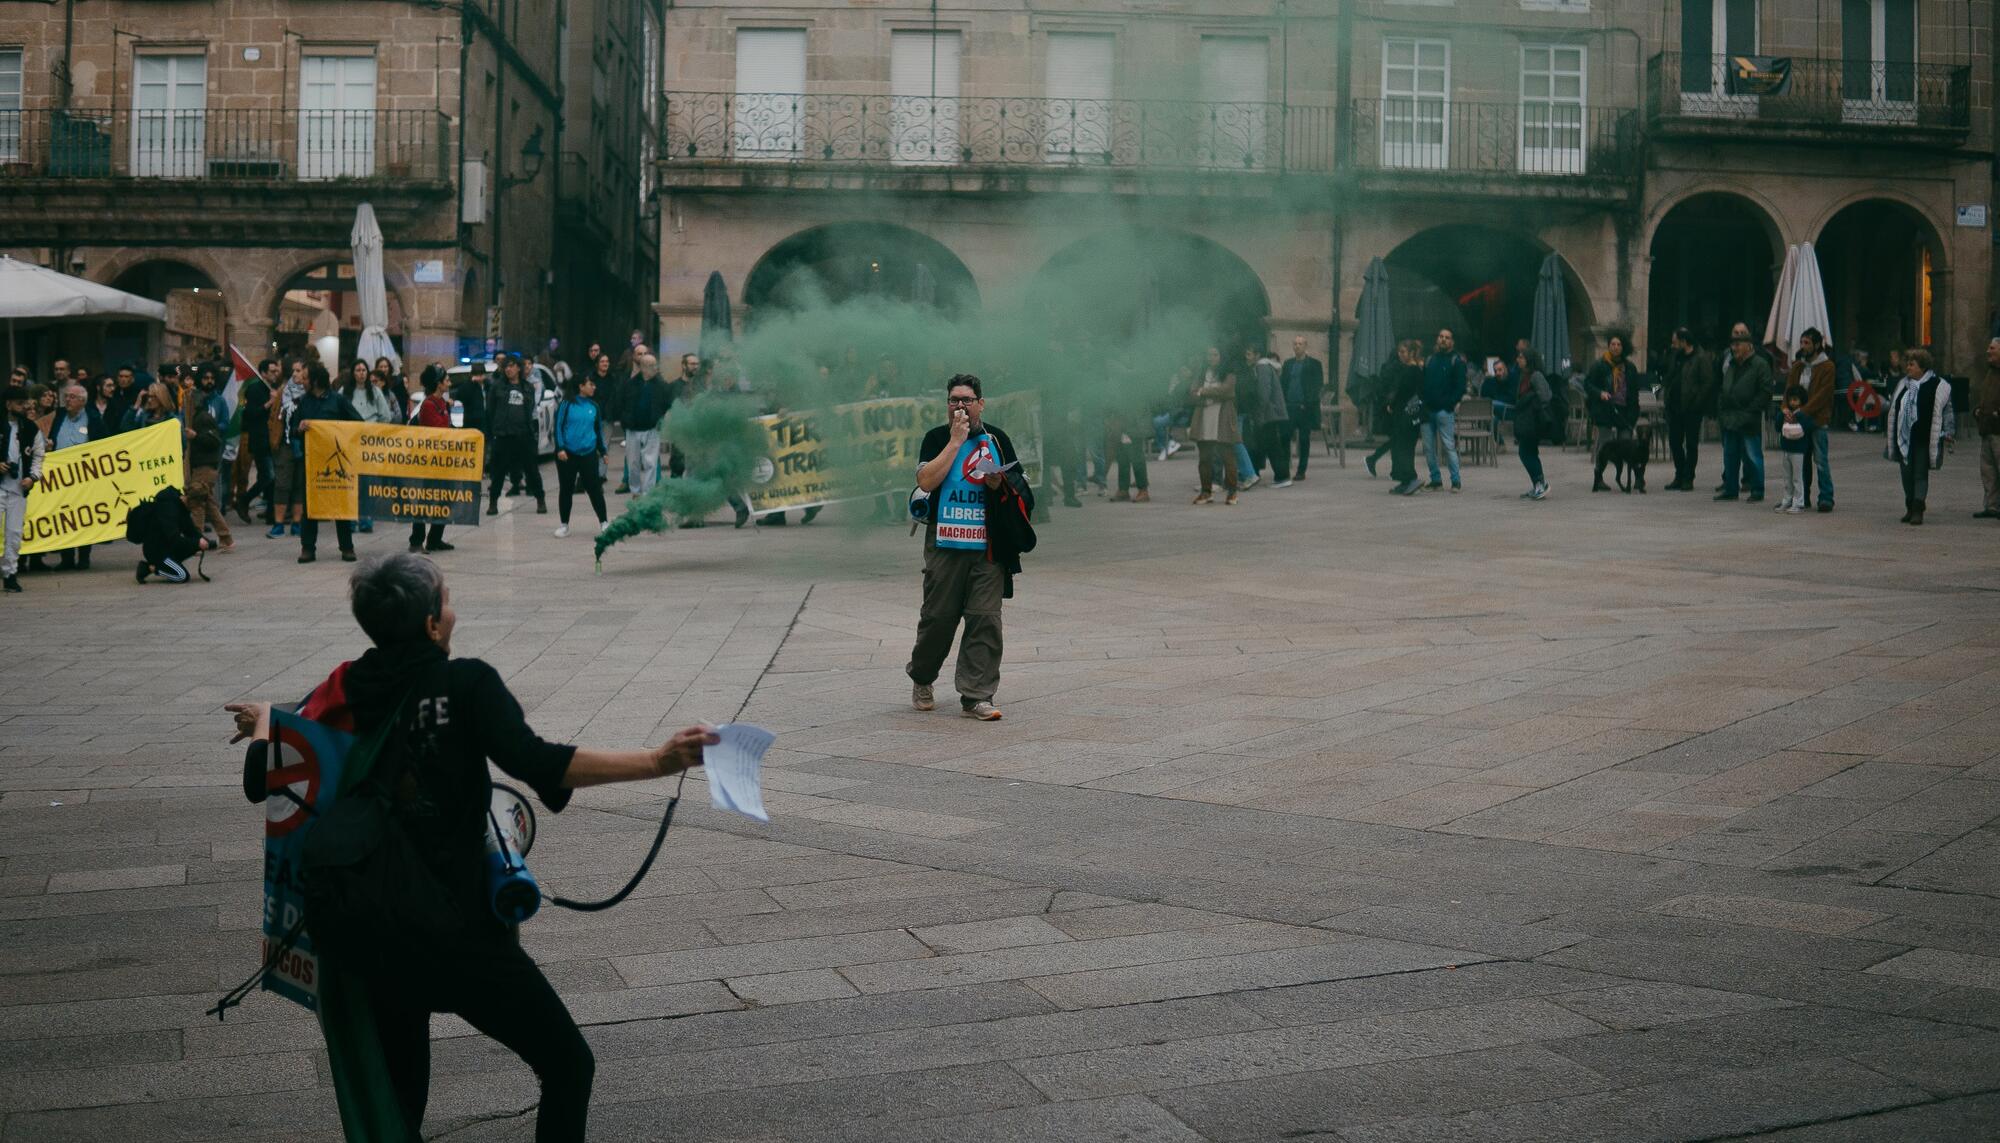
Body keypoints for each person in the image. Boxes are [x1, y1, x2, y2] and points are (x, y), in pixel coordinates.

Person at [228, 554, 717, 1142]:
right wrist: (659, 762)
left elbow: (264, 776)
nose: (453, 609)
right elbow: (541, 764)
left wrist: (265, 723)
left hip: (374, 932)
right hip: (458, 935)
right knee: (568, 1065)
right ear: (434, 625)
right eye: (448, 598)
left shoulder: (346, 685)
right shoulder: (467, 685)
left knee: (401, 1108)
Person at [907, 375, 1032, 721]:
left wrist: (998, 481)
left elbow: (1019, 486)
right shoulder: (936, 438)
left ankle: (976, 695)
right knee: (938, 619)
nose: (959, 406)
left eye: (966, 399)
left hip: (988, 546)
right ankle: (922, 677)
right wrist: (955, 441)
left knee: (985, 618)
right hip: (945, 543)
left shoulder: (996, 439)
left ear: (981, 403)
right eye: (953, 400)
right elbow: (927, 480)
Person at [291, 363, 362, 563]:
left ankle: (347, 547)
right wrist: (300, 428)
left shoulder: (338, 401)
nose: (302, 382)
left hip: (337, 465)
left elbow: (358, 423)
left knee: (341, 506)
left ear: (315, 381)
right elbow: (292, 431)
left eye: (305, 378)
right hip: (312, 464)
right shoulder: (303, 403)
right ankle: (308, 548)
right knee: (310, 506)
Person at [1885, 347, 1955, 526]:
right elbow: (1894, 407)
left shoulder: (1937, 385)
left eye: (1911, 364)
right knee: (1906, 474)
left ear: (1922, 367)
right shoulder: (1903, 384)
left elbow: (1947, 410)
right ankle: (1909, 505)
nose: (1907, 368)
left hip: (1924, 438)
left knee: (1920, 474)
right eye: (1907, 364)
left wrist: (1948, 431)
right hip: (1904, 437)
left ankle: (1918, 509)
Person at [1716, 323, 1771, 502]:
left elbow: (1765, 392)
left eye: (1738, 344)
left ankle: (1757, 489)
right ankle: (1731, 489)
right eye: (1733, 344)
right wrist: (1722, 412)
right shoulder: (1731, 364)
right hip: (1730, 418)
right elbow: (1724, 389)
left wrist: (1750, 411)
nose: (1734, 348)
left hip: (1748, 418)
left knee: (1753, 455)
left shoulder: (1760, 365)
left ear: (1749, 346)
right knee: (1730, 456)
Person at [485, 356, 547, 516]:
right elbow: (491, 410)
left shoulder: (527, 387)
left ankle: (540, 499)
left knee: (532, 470)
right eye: (506, 367)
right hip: (504, 436)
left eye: (512, 366)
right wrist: (495, 430)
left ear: (518, 368)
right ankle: (493, 503)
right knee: (498, 473)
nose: (508, 369)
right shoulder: (497, 387)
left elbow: (530, 407)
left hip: (523, 435)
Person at [407, 365, 457, 555]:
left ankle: (435, 538)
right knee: (425, 501)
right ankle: (416, 540)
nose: (449, 383)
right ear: (438, 383)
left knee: (446, 499)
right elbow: (438, 432)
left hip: (443, 461)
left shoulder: (441, 402)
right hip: (430, 463)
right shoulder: (429, 405)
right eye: (446, 380)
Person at [552, 374, 610, 538]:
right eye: (590, 384)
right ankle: (564, 525)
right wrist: (560, 448)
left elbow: (598, 430)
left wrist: (603, 451)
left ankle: (604, 522)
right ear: (581, 386)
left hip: (589, 454)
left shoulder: (594, 406)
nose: (594, 387)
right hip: (567, 454)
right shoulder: (567, 404)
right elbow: (558, 427)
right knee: (566, 489)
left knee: (594, 489)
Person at [1660, 327, 1716, 491]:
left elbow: (1707, 382)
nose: (1673, 344)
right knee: (1675, 442)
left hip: (1691, 408)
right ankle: (1679, 474)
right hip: (1674, 407)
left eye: (1675, 341)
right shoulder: (1676, 357)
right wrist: (1662, 391)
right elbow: (1667, 377)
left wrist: (1697, 402)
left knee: (1691, 444)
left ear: (1684, 341)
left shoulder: (1700, 357)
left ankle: (1688, 477)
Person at [1, 385, 45, 593]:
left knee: (14, 533)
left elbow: (38, 455)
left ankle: (10, 574)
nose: (24, 407)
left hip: (18, 488)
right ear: (8, 404)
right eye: (19, 403)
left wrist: (33, 476)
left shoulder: (30, 428)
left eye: (24, 403)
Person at [1789, 327, 1837, 512]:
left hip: (1817, 420)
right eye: (1802, 343)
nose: (1803, 346)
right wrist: (1787, 408)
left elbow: (1823, 394)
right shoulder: (1798, 366)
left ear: (1817, 345)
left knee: (1820, 459)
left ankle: (1826, 497)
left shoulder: (1827, 366)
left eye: (1807, 343)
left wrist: (1804, 411)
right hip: (1799, 419)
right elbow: (1790, 389)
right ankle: (1802, 496)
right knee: (1801, 459)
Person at [184, 384, 235, 553]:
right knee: (209, 503)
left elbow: (214, 441)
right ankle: (226, 538)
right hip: (203, 466)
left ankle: (197, 540)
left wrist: (196, 436)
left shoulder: (203, 418)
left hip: (205, 467)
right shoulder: (196, 418)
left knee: (197, 501)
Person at [1188, 347, 1240, 506]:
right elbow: (1192, 391)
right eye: (1209, 354)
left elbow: (1226, 391)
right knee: (1204, 458)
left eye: (1215, 354)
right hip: (1204, 419)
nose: (1211, 358)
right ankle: (1206, 491)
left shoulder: (1229, 374)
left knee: (1227, 457)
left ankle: (1232, 492)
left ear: (1221, 356)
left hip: (1222, 419)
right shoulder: (1201, 373)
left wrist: (1204, 391)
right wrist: (1203, 392)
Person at [132, 486, 210, 584]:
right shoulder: (168, 509)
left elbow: (191, 531)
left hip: (168, 546)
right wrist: (197, 543)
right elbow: (174, 539)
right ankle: (149, 568)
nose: (198, 509)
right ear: (192, 500)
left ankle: (170, 565)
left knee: (196, 544)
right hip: (156, 550)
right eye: (198, 505)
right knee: (182, 576)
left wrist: (205, 542)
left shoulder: (183, 507)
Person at [1421, 328, 1467, 492]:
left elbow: (1460, 387)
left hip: (1444, 411)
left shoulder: (1456, 361)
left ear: (1452, 342)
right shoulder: (1430, 359)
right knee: (1427, 447)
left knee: (1449, 446)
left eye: (1447, 338)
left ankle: (1455, 480)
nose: (1443, 340)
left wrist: (1450, 403)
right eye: (1441, 336)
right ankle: (1436, 479)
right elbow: (1423, 383)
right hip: (1428, 410)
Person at [269, 359, 309, 538]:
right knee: (282, 484)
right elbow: (274, 416)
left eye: (298, 371)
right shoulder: (283, 392)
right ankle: (278, 524)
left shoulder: (310, 394)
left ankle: (297, 523)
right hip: (285, 443)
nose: (295, 374)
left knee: (299, 484)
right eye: (293, 370)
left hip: (304, 444)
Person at [623, 353, 670, 499]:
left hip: (651, 428)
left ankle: (648, 492)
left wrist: (659, 419)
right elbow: (622, 402)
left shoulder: (661, 385)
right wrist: (625, 420)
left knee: (651, 463)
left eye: (655, 364)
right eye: (651, 365)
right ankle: (636, 491)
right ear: (643, 367)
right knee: (633, 463)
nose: (655, 368)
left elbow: (666, 403)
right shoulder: (630, 384)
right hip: (633, 428)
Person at [1583, 332, 1641, 452]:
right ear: (1608, 346)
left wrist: (1634, 413)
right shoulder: (1599, 365)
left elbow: (1634, 391)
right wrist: (1600, 393)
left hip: (1624, 411)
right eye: (1613, 344)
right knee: (1605, 445)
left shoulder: (1630, 367)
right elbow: (1588, 384)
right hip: (1605, 409)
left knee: (1625, 445)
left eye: (1619, 344)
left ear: (1623, 347)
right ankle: (1600, 466)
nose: (1615, 347)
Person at [1383, 339, 1426, 496]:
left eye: (1403, 352)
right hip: (1404, 414)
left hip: (1407, 415)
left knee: (1404, 448)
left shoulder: (1412, 371)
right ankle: (1404, 480)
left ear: (1412, 353)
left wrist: (1393, 405)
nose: (1400, 355)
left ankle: (1410, 478)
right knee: (1400, 447)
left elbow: (1405, 393)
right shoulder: (1409, 369)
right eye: (1399, 352)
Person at [1511, 348, 1553, 501]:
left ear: (1529, 359)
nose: (1518, 360)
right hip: (1525, 420)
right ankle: (1537, 484)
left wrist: (1532, 402)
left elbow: (1546, 396)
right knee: (1529, 452)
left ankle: (1541, 483)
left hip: (1533, 421)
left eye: (1521, 357)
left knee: (1525, 453)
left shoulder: (1536, 375)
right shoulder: (1524, 376)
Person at [1281, 336, 1324, 480]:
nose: (1297, 346)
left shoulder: (1314, 364)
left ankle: (1301, 470)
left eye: (1300, 344)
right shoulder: (1287, 364)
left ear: (1305, 346)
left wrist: (1308, 403)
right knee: (1285, 437)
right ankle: (1285, 468)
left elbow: (1318, 385)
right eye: (1295, 344)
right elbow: (1283, 384)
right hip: (1289, 406)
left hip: (1305, 407)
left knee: (1304, 439)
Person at [1250, 345, 1292, 488]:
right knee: (1267, 444)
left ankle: (1282, 476)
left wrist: (1260, 414)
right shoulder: (1265, 367)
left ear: (1257, 355)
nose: (1247, 357)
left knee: (1273, 446)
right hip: (1271, 413)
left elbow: (1263, 393)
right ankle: (1258, 472)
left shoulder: (1262, 368)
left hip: (1269, 414)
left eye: (1249, 354)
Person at [1774, 386, 1818, 515]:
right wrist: (1782, 415)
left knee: (1797, 478)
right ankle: (1787, 500)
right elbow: (1777, 427)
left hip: (1799, 450)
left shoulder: (1803, 414)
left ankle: (1798, 502)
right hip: (1787, 449)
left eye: (1795, 400)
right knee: (1787, 477)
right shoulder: (1786, 413)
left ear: (1801, 400)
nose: (1793, 402)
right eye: (1791, 400)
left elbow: (1809, 427)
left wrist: (1796, 418)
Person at [1975, 338, 2000, 521]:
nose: (1987, 351)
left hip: (1998, 429)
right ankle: (1991, 506)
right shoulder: (1990, 373)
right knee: (1988, 470)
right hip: (1987, 428)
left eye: (1992, 348)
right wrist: (1979, 409)